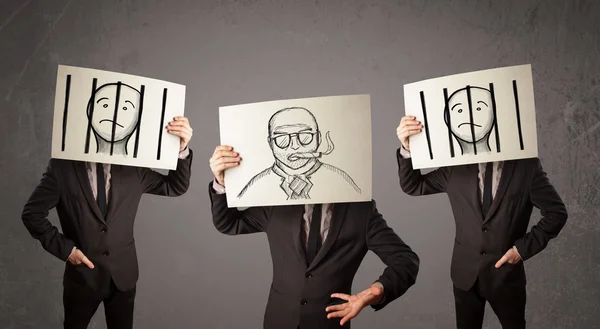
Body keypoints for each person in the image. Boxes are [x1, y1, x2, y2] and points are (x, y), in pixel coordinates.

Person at [209, 144, 419, 329]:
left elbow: (406, 261)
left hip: (329, 324)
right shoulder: (277, 201)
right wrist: (221, 183)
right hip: (279, 321)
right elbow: (229, 223)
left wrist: (374, 292)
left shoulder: (361, 212)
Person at [396, 115, 568, 329]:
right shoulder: (455, 166)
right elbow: (413, 186)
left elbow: (556, 213)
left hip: (505, 277)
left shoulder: (527, 167)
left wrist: (521, 250)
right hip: (464, 275)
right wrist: (407, 148)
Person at [21, 116, 194, 329]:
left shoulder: (134, 167)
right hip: (83, 278)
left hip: (124, 275)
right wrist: (67, 251)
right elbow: (32, 214)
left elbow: (175, 186)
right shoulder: (61, 168)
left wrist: (181, 149)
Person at [238, 107, 361, 200]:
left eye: (305, 136)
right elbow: (234, 224)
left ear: (318, 138)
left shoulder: (341, 181)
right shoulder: (256, 186)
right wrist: (221, 184)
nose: (295, 146)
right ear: (270, 143)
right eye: (282, 138)